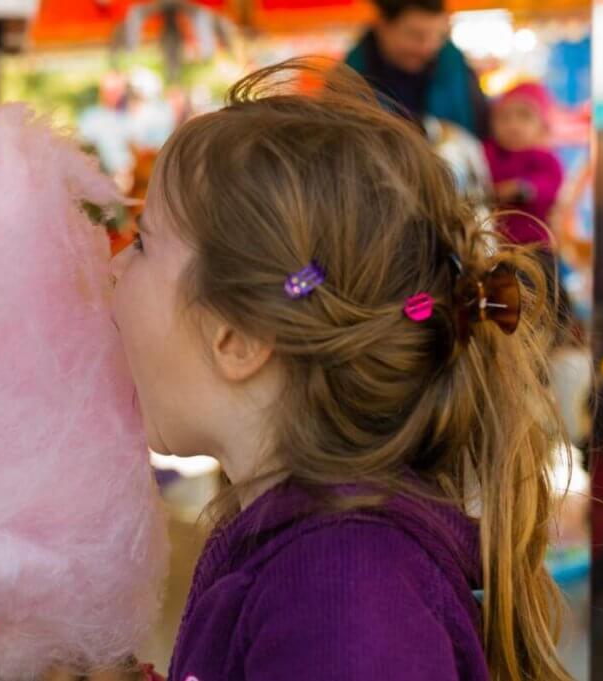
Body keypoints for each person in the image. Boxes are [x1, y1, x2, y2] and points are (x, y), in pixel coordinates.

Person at [110, 60, 570, 680]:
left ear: (241, 337)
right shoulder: (304, 553)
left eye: (141, 242)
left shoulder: (341, 596)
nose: (112, 270)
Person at [344, 0, 489, 138]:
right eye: (416, 35)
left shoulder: (455, 66)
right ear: (383, 27)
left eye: (439, 35)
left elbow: (480, 125)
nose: (429, 48)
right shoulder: (348, 77)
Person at [485, 82, 564, 247]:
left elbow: (546, 186)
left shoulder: (546, 159)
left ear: (542, 126)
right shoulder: (487, 153)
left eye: (524, 116)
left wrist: (522, 189)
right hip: (494, 243)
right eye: (504, 118)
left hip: (532, 245)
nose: (513, 125)